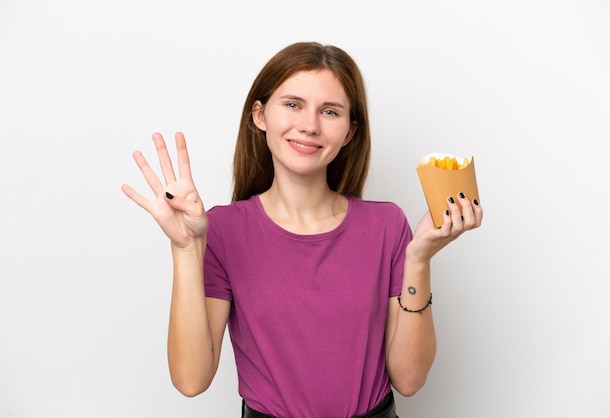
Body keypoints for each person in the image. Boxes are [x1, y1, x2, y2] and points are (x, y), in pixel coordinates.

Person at [121, 41, 483, 418]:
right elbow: (191, 381)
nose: (309, 126)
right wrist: (184, 250)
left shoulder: (387, 225)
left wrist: (419, 259)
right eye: (293, 104)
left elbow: (409, 380)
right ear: (259, 115)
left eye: (330, 111)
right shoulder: (224, 230)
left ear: (349, 132)